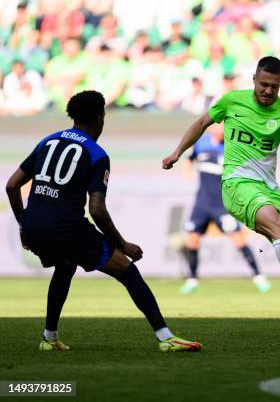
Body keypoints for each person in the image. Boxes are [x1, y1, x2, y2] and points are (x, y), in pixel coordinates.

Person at [162, 56, 280, 340]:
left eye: (274, 86)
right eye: (264, 84)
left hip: (269, 189)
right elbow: (201, 123)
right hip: (237, 185)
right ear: (254, 79)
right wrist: (178, 152)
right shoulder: (232, 101)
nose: (268, 91)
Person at [5, 90, 201, 352]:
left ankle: (49, 338)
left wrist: (24, 226)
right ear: (101, 116)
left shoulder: (47, 142)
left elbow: (11, 185)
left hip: (33, 225)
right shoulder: (96, 154)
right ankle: (166, 337)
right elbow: (96, 209)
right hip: (67, 228)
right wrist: (121, 244)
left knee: (65, 265)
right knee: (127, 270)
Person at [178, 123, 271, 294]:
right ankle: (192, 279)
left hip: (222, 204)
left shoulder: (232, 147)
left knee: (238, 240)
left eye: (223, 126)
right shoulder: (201, 143)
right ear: (212, 128)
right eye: (217, 125)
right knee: (192, 240)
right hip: (202, 203)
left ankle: (259, 277)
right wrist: (188, 173)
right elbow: (188, 159)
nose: (220, 129)